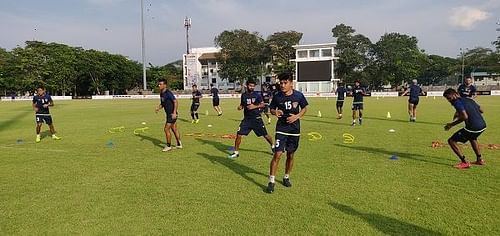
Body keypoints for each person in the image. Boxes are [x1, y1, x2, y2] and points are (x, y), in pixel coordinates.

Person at [266, 72, 308, 193]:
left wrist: (297, 116)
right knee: (278, 154)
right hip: (281, 128)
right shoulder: (277, 96)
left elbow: (304, 108)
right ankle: (271, 181)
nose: (283, 85)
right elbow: (272, 108)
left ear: (291, 83)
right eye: (281, 83)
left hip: (294, 129)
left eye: (285, 83)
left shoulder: (299, 96)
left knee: (290, 154)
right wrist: (275, 112)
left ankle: (286, 177)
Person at [228, 80, 274, 159]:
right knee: (239, 134)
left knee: (265, 135)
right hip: (247, 120)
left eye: (253, 86)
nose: (252, 87)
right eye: (250, 86)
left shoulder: (257, 95)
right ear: (246, 85)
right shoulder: (244, 95)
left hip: (256, 119)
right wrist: (240, 107)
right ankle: (236, 152)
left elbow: (263, 104)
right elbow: (242, 105)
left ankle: (273, 146)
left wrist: (255, 106)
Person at [443, 88, 486, 169]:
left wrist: (451, 125)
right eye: (447, 99)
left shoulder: (456, 102)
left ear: (455, 94)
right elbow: (481, 110)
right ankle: (479, 160)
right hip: (483, 125)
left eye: (449, 98)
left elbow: (464, 116)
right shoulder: (468, 100)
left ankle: (465, 162)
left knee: (451, 141)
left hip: (473, 127)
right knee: (472, 138)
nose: (449, 100)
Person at [155, 79, 182, 152]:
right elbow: (163, 103)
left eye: (160, 84)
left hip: (171, 114)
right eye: (159, 84)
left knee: (166, 129)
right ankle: (179, 144)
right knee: (174, 129)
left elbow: (175, 101)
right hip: (169, 114)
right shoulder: (161, 93)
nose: (159, 85)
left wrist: (174, 113)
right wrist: (158, 107)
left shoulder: (168, 93)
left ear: (165, 85)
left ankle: (168, 146)